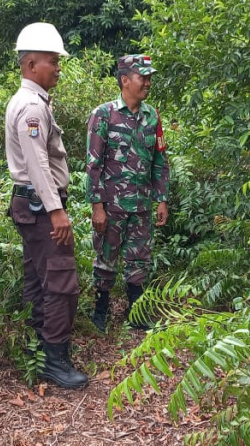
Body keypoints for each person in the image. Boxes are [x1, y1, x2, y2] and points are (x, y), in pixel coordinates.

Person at [5, 23, 88, 389]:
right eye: (53, 61)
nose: (57, 68)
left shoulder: (33, 102)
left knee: (40, 279)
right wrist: (57, 210)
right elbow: (38, 164)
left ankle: (40, 349)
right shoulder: (31, 107)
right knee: (59, 282)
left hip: (35, 205)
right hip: (41, 206)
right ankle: (54, 360)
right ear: (31, 64)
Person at [86, 54, 170, 333]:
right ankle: (101, 310)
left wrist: (162, 199)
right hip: (112, 206)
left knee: (139, 258)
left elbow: (160, 160)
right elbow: (93, 164)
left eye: (148, 77)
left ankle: (137, 312)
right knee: (106, 259)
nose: (147, 82)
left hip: (143, 205)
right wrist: (97, 206)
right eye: (142, 77)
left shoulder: (152, 116)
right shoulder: (104, 114)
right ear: (125, 80)